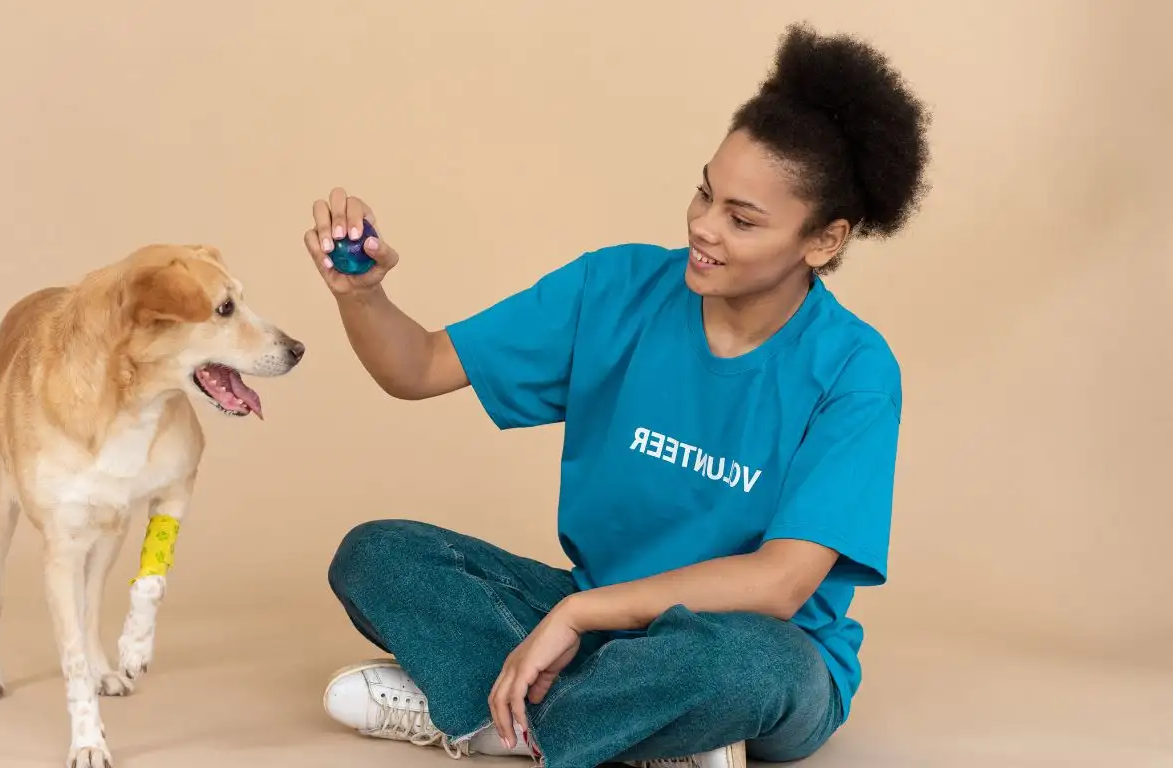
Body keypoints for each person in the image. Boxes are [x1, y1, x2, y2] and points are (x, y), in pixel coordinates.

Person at [306, 21, 931, 768]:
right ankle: (634, 733)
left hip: (750, 648)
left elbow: (778, 584)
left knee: (756, 666)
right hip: (604, 626)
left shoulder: (854, 369)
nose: (703, 226)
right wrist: (363, 296)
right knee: (378, 556)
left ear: (824, 241)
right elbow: (421, 367)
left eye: (742, 219)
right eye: (705, 192)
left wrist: (579, 610)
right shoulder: (618, 288)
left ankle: (488, 713)